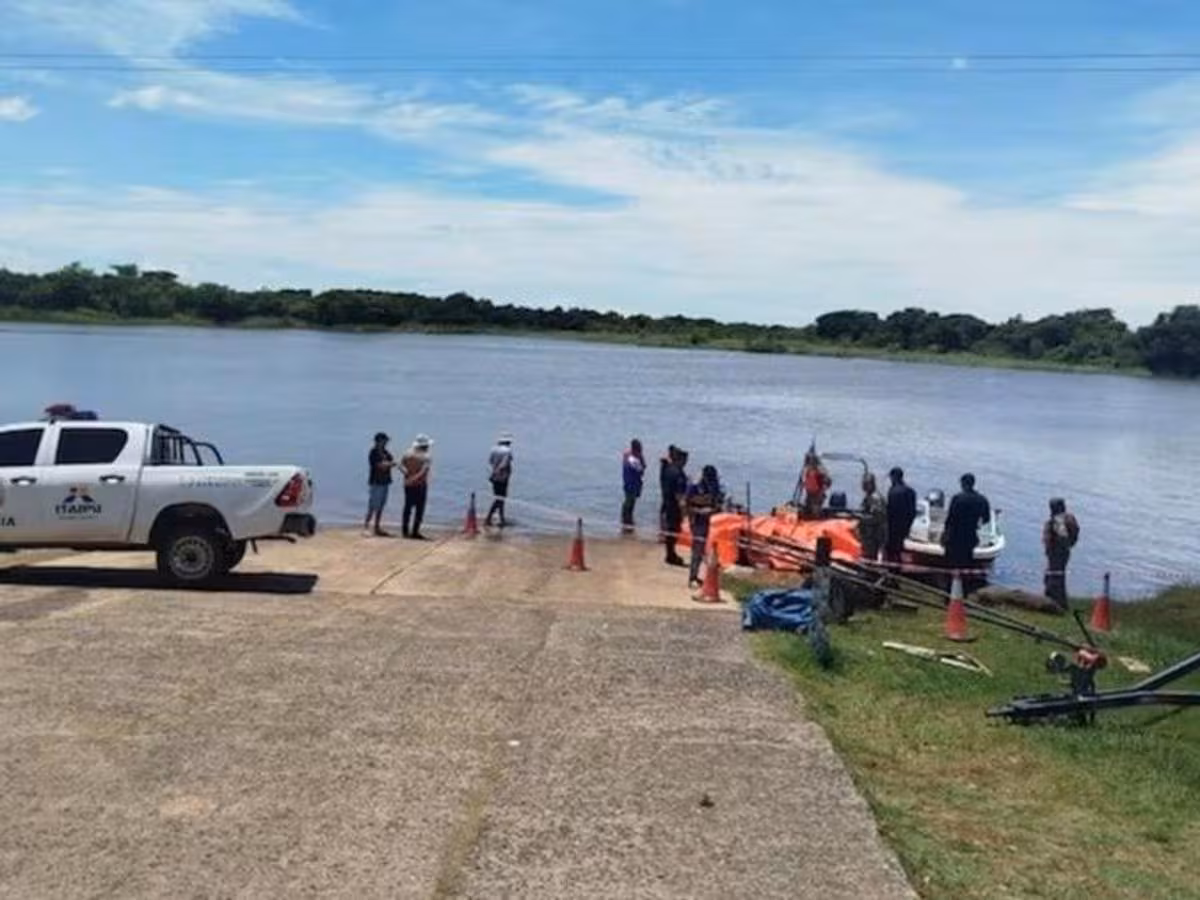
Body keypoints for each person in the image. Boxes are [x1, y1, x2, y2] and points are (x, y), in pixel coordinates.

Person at [942, 473, 991, 587]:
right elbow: (986, 519)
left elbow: (950, 519)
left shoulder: (957, 498)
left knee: (950, 564)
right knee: (966, 564)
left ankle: (949, 588)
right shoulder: (982, 500)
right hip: (970, 536)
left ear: (963, 484)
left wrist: (944, 535)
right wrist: (976, 524)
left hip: (955, 536)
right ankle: (964, 588)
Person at [686, 464, 724, 588]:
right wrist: (699, 511)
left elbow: (717, 505)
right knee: (697, 550)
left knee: (702, 550)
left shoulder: (714, 488)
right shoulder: (695, 487)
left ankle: (698, 576)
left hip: (707, 521)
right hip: (696, 521)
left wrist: (713, 510)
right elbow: (686, 505)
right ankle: (692, 577)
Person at [1043, 497, 1081, 610]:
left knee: (1055, 578)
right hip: (1062, 553)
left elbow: (1062, 537)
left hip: (1057, 554)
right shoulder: (1068, 518)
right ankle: (1057, 601)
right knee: (1056, 576)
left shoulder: (1058, 521)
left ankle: (1055, 603)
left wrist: (1055, 549)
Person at [400, 433, 433, 540]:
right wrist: (414, 478)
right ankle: (415, 532)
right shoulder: (426, 456)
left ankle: (405, 531)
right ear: (425, 446)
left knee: (407, 508)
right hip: (420, 485)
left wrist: (407, 474)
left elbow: (400, 465)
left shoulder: (408, 453)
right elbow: (424, 471)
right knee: (419, 509)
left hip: (408, 484)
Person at [660, 446, 689, 567]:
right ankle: (670, 554)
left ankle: (670, 553)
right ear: (680, 460)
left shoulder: (668, 469)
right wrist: (684, 511)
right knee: (674, 530)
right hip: (674, 506)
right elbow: (679, 495)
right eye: (685, 461)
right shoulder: (678, 473)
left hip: (666, 502)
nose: (685, 463)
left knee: (670, 529)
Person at [364, 432, 396, 537]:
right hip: (376, 482)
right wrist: (388, 464)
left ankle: (377, 527)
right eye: (384, 440)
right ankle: (366, 527)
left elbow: (392, 461)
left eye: (386, 441)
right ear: (379, 441)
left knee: (381, 506)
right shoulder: (373, 452)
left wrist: (389, 464)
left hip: (385, 482)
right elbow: (379, 465)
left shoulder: (386, 452)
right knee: (372, 506)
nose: (386, 442)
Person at [884, 467, 917, 567]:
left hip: (893, 527)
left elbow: (889, 511)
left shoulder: (893, 491)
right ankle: (897, 568)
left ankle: (891, 571)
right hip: (904, 527)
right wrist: (908, 526)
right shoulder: (911, 492)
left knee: (891, 551)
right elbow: (912, 512)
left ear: (894, 477)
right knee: (898, 549)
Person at [485, 433, 514, 527]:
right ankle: (489, 518)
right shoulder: (508, 451)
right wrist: (498, 471)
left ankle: (501, 518)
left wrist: (494, 472)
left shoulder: (494, 450)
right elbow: (504, 464)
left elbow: (490, 462)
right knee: (500, 499)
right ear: (508, 442)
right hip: (503, 477)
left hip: (495, 477)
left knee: (498, 498)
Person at [858, 472, 887, 562]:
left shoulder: (875, 498)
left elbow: (878, 517)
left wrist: (861, 518)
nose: (863, 486)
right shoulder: (868, 497)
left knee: (871, 557)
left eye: (865, 484)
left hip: (874, 536)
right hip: (868, 535)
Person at [621, 439, 646, 533]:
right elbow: (642, 470)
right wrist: (641, 458)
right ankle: (627, 523)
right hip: (632, 484)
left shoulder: (627, 456)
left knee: (628, 503)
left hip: (628, 483)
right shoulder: (634, 460)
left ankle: (626, 522)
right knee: (630, 504)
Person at [801, 448, 831, 517]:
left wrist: (822, 489)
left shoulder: (820, 469)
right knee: (807, 509)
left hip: (817, 493)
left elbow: (827, 480)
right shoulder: (808, 469)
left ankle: (819, 517)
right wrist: (804, 484)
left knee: (815, 510)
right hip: (809, 493)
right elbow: (806, 479)